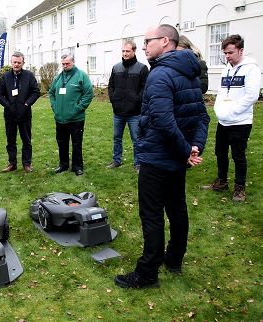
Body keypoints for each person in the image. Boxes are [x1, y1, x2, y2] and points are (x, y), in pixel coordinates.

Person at [114, 24, 210, 289]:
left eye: (147, 41)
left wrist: (187, 150)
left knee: (153, 214)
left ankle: (147, 273)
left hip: (159, 157)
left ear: (165, 41)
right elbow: (202, 117)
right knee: (177, 209)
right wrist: (193, 148)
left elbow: (164, 121)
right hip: (177, 156)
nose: (143, 46)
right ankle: (174, 260)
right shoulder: (189, 71)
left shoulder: (161, 74)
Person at [201, 34, 260, 202]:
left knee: (238, 155)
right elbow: (221, 92)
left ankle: (239, 187)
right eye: (225, 53)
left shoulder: (251, 69)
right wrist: (220, 110)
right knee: (220, 152)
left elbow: (251, 96)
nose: (227, 56)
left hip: (240, 122)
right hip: (223, 121)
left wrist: (233, 111)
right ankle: (221, 182)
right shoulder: (227, 69)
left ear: (241, 50)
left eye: (230, 53)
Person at [106, 40, 149, 173]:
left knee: (137, 139)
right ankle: (116, 160)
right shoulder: (116, 67)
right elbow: (111, 86)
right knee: (117, 138)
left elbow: (145, 88)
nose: (125, 53)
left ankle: (138, 163)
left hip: (134, 112)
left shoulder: (142, 68)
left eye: (127, 51)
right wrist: (113, 98)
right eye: (123, 51)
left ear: (134, 51)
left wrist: (136, 101)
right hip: (118, 111)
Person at [0, 51, 41, 173]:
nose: (16, 64)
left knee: (26, 140)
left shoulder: (29, 76)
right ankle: (12, 163)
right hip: (10, 115)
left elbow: (36, 92)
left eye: (19, 62)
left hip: (24, 114)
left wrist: (27, 103)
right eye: (14, 62)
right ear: (11, 62)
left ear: (23, 63)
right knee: (11, 140)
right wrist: (8, 105)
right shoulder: (5, 77)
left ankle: (26, 164)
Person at [49, 53, 93, 176]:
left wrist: (78, 108)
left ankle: (77, 166)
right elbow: (51, 92)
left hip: (76, 118)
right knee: (62, 142)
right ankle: (63, 165)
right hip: (60, 118)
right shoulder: (58, 77)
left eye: (67, 63)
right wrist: (54, 106)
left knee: (76, 143)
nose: (65, 66)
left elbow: (88, 94)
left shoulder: (81, 76)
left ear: (73, 62)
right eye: (63, 64)